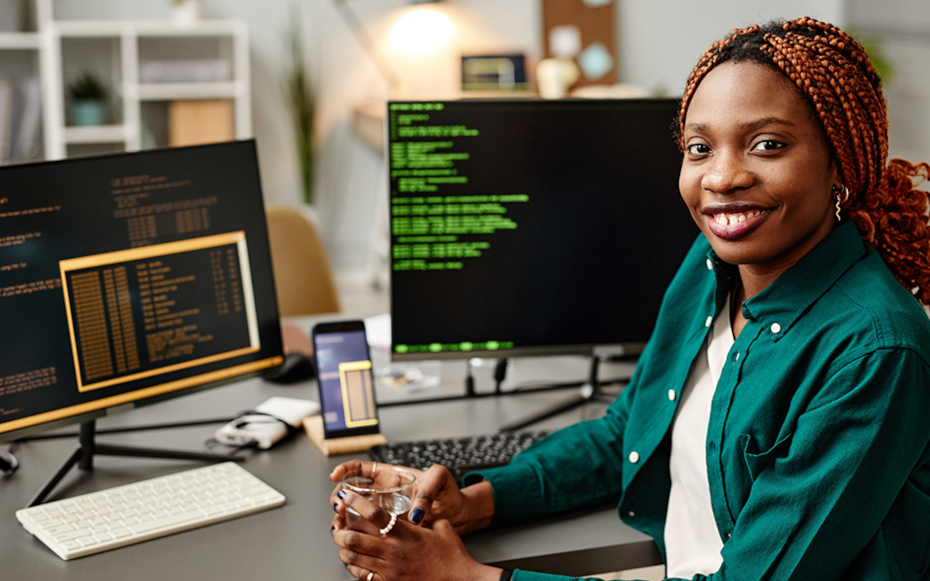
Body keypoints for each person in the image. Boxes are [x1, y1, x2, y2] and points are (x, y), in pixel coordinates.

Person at [329, 17, 930, 581]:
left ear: (840, 165)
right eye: (700, 148)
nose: (721, 178)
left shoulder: (875, 352)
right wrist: (476, 503)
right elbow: (630, 432)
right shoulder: (712, 267)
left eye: (767, 145)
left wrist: (467, 575)